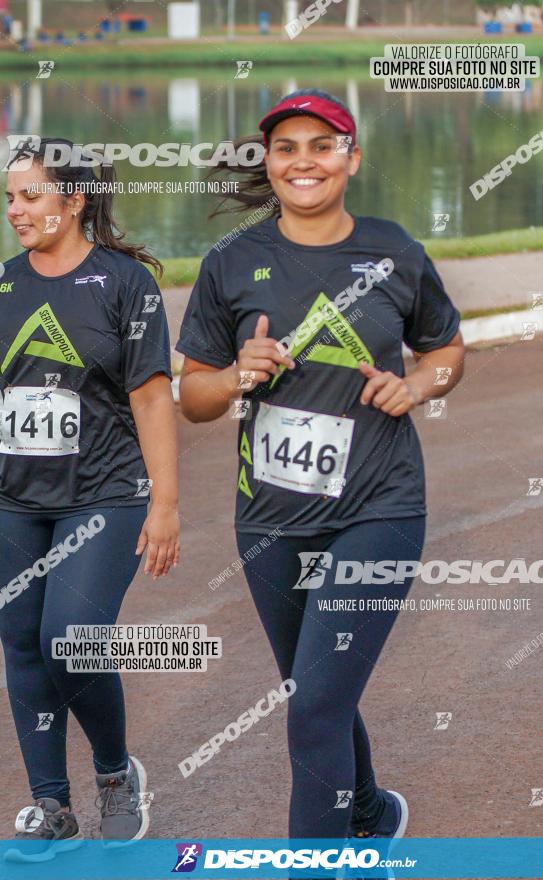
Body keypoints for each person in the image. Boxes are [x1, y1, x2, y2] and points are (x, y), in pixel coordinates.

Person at [178, 89, 464, 841]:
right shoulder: (231, 262)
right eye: (286, 148)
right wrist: (239, 372)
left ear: (352, 158)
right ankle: (370, 812)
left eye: (322, 145)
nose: (303, 160)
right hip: (270, 516)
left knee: (311, 710)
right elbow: (194, 397)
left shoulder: (393, 249)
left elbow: (445, 350)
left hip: (380, 508)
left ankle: (317, 859)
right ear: (268, 164)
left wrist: (418, 384)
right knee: (314, 693)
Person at [0, 137, 179, 857]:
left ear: (73, 200)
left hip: (104, 493)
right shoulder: (5, 285)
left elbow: (152, 399)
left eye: (30, 195)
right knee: (19, 641)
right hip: (14, 499)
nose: (16, 210)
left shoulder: (124, 284)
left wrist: (165, 502)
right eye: (10, 198)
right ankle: (51, 805)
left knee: (68, 637)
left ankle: (114, 772)